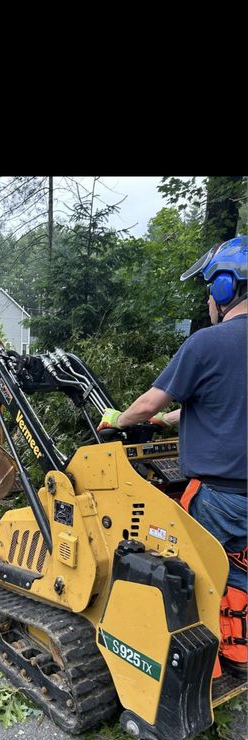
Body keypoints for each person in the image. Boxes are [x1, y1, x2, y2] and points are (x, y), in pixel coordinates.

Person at [98, 235, 247, 678]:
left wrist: (119, 422)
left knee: (187, 574)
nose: (207, 300)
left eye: (209, 290)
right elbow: (225, 400)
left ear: (224, 288)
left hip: (219, 494)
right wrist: (170, 422)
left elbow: (147, 403)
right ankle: (239, 655)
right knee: (239, 565)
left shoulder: (207, 344)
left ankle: (192, 670)